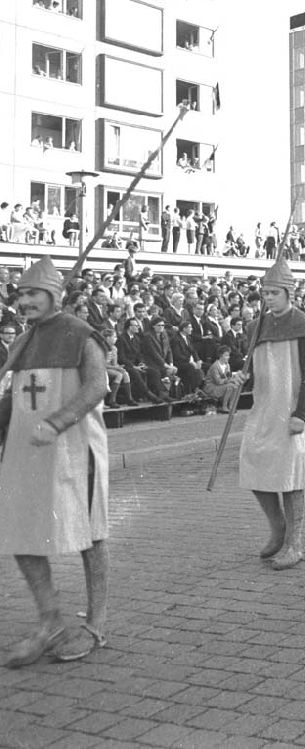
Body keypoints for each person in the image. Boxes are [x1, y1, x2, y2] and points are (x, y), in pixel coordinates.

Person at [0, 256, 111, 665]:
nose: (24, 301)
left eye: (33, 293)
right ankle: (51, 621)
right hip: (27, 452)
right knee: (21, 532)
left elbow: (96, 387)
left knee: (90, 535)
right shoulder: (22, 341)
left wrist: (59, 421)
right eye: (21, 293)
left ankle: (96, 625)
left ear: (53, 295)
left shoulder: (83, 334)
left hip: (74, 449)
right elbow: (14, 397)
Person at [236, 257, 305, 570]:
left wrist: (301, 411)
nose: (268, 298)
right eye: (265, 293)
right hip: (264, 409)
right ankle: (278, 528)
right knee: (253, 463)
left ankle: (295, 543)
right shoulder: (254, 327)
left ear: (288, 292)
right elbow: (255, 369)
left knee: (291, 474)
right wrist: (241, 380)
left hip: (291, 409)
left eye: (273, 293)